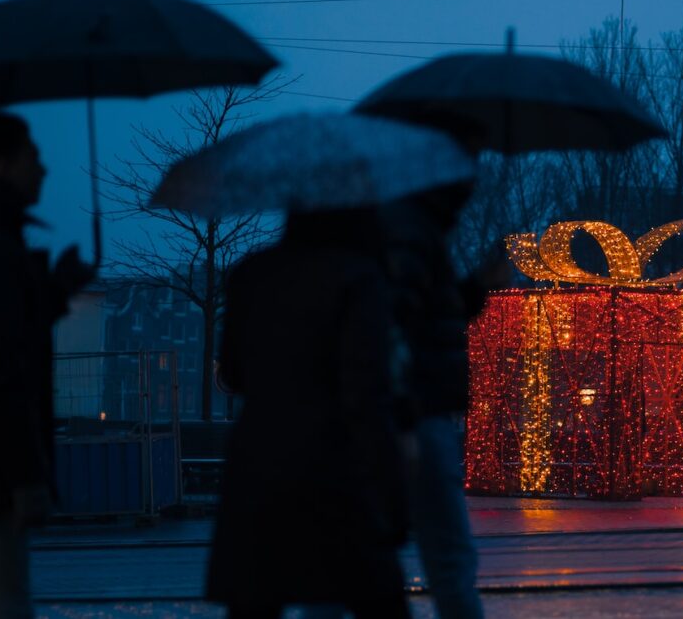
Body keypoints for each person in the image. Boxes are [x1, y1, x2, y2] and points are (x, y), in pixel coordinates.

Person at [205, 208, 410, 619]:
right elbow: (365, 393)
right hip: (333, 466)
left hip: (258, 461)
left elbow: (234, 372)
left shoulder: (251, 273)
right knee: (377, 598)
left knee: (255, 600)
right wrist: (393, 489)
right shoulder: (359, 278)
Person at [0, 111, 92, 619]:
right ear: (1, 164)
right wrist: (25, 475)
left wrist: (55, 291)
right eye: (32, 157)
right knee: (4, 601)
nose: (44, 171)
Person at [381, 182, 498, 619]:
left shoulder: (417, 232)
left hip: (415, 412)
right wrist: (406, 416)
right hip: (420, 415)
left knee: (363, 557)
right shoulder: (414, 233)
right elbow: (401, 327)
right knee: (449, 556)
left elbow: (422, 316)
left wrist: (474, 290)